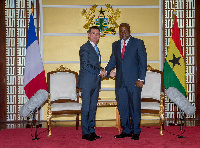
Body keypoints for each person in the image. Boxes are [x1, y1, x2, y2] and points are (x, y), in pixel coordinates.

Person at [103, 23, 147, 140]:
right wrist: (105, 72)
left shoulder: (138, 43)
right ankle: (126, 130)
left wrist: (141, 79)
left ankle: (136, 131)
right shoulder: (116, 45)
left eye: (125, 30)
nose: (123, 33)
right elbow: (113, 61)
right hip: (120, 82)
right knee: (123, 107)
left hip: (134, 82)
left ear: (129, 31)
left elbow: (143, 62)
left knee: (135, 107)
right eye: (121, 31)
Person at [77, 26, 104, 141]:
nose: (96, 36)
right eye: (93, 33)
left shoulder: (96, 49)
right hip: (87, 83)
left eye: (97, 34)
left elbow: (96, 66)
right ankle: (85, 132)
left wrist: (105, 71)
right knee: (86, 108)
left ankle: (92, 131)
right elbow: (85, 65)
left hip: (95, 82)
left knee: (93, 108)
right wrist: (100, 71)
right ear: (88, 34)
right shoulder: (84, 48)